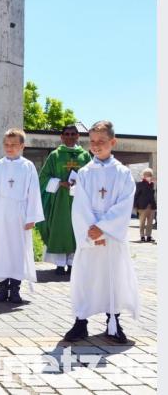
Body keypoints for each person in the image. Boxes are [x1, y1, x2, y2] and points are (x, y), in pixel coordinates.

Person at [63, 121, 140, 344]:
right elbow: (80, 206)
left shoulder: (123, 173)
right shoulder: (85, 173)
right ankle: (80, 323)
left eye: (101, 141)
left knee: (113, 278)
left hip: (111, 238)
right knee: (86, 278)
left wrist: (104, 229)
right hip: (89, 236)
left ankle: (113, 322)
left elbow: (125, 204)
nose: (96, 146)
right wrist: (91, 232)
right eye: (93, 141)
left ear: (112, 142)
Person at [0, 129, 44, 304]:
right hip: (1, 211)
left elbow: (33, 192)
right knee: (1, 249)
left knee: (17, 250)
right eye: (6, 145)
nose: (10, 148)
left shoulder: (27, 166)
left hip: (20, 212)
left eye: (14, 145)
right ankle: (2, 287)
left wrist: (31, 217)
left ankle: (15, 288)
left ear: (22, 146)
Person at [37, 125, 92, 276]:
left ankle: (73, 263)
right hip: (60, 199)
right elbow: (43, 178)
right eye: (66, 134)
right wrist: (60, 183)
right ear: (61, 136)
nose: (70, 136)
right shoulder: (55, 155)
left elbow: (91, 176)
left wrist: (79, 182)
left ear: (77, 136)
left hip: (79, 199)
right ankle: (60, 264)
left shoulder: (85, 156)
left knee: (76, 228)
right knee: (61, 229)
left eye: (73, 134)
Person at [134, 168, 156, 243]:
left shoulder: (152, 184)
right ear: (143, 176)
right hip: (142, 206)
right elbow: (136, 195)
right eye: (147, 175)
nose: (148, 176)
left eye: (150, 175)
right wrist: (135, 206)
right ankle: (142, 236)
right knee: (142, 222)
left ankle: (148, 236)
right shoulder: (139, 184)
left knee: (150, 222)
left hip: (151, 206)